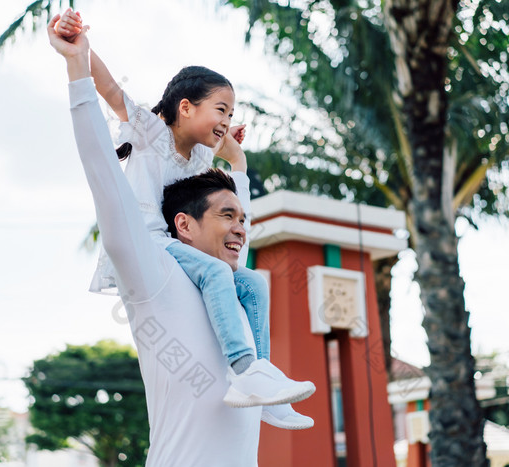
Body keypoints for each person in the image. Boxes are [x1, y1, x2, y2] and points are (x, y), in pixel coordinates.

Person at [52, 11, 315, 429]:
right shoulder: (149, 132)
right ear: (187, 107)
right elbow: (110, 89)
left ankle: (262, 377)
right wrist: (80, 46)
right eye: (221, 110)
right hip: (149, 243)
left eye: (231, 115)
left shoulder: (199, 157)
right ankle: (243, 369)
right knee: (216, 272)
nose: (227, 121)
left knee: (251, 282)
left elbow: (228, 199)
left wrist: (232, 151)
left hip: (178, 246)